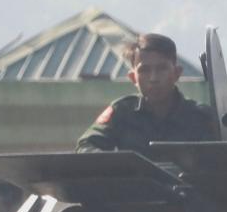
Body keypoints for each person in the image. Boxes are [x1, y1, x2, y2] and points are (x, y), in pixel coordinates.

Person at [75, 33, 217, 153]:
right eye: (144, 70)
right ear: (133, 78)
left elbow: (218, 160)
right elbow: (86, 146)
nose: (153, 78)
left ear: (176, 73)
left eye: (162, 69)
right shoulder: (122, 112)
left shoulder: (202, 117)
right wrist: (115, 165)